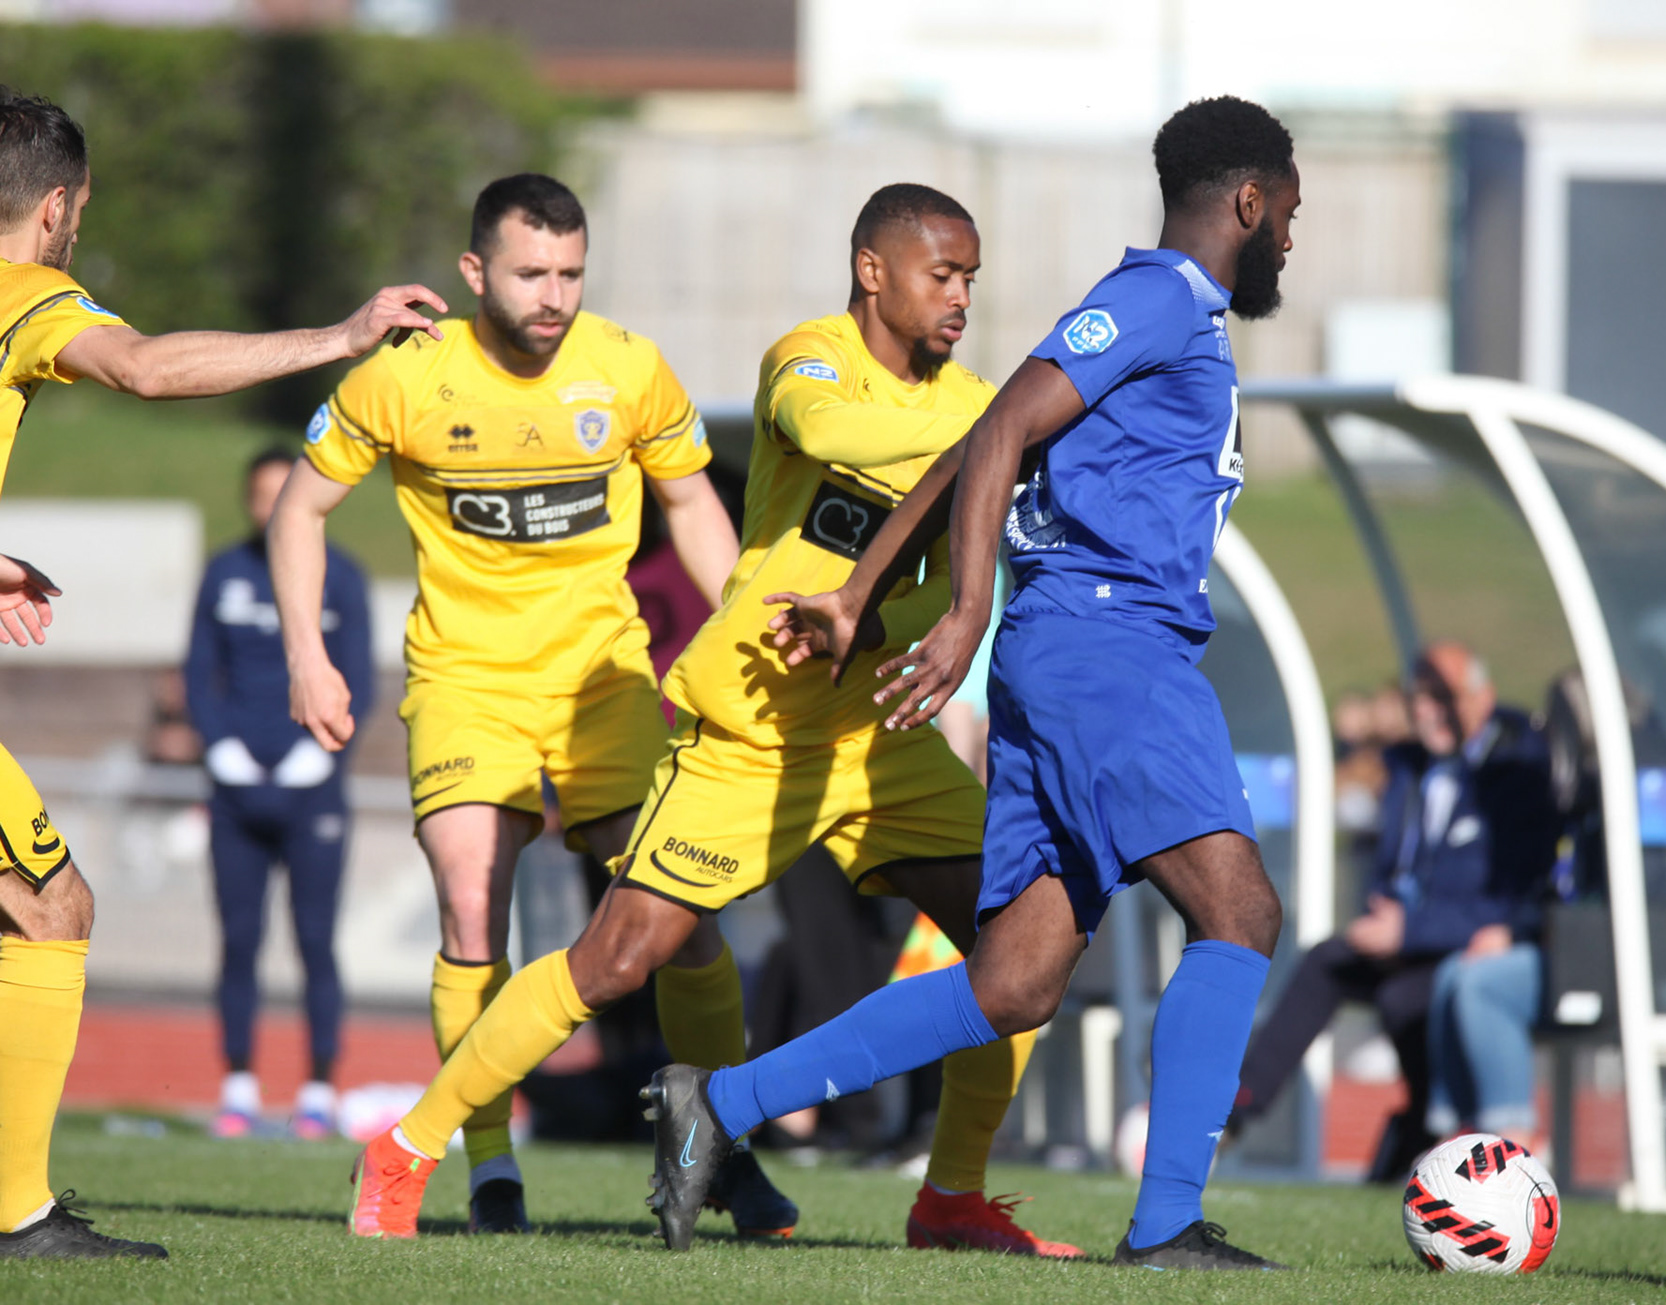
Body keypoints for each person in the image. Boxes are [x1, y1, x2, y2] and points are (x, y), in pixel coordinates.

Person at [344, 181, 1080, 1258]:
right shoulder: (810, 361)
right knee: (617, 958)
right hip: (755, 733)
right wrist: (1005, 432)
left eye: (972, 277)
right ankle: (407, 1146)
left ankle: (951, 1198)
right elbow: (837, 433)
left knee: (1025, 946)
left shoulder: (972, 399)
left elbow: (972, 530)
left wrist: (1001, 448)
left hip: (878, 740)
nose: (962, 295)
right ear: (873, 271)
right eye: (942, 274)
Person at [646, 95, 1302, 1269]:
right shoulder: (1159, 298)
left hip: (1076, 654)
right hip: (1110, 650)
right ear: (1251, 201)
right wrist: (962, 613)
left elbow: (977, 438)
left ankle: (721, 1105)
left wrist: (862, 589)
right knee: (1240, 912)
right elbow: (1000, 432)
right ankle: (1166, 1227)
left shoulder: (1167, 316)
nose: (1293, 240)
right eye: (1291, 213)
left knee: (1014, 984)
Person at [267, 173, 777, 1236]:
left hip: (605, 682)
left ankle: (721, 1149)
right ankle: (490, 1165)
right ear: (474, 272)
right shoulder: (404, 374)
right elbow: (301, 510)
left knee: (684, 917)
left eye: (571, 274)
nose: (554, 296)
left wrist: (743, 629)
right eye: (532, 272)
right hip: (466, 681)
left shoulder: (627, 366)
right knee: (470, 905)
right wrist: (307, 656)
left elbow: (692, 499)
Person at [0, 86, 443, 1260]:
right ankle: (17, 1218)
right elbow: (148, 368)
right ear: (57, 207)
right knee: (49, 909)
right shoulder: (26, 296)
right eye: (81, 211)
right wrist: (340, 339)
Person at [1231, 643, 1559, 1177]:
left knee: (1406, 998)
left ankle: (1435, 1138)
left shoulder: (1518, 770)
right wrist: (1386, 915)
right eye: (1419, 698)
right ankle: (1235, 1109)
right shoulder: (1409, 767)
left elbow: (1516, 894)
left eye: (1442, 697)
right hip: (1405, 938)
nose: (1428, 711)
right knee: (1325, 961)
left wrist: (1410, 930)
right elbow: (1397, 865)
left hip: (1470, 946)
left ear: (1483, 698)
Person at [186, 447, 373, 1140]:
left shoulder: (342, 576)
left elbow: (361, 679)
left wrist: (320, 752)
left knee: (315, 939)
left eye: (283, 493)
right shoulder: (223, 573)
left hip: (312, 793)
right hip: (235, 792)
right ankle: (237, 1085)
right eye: (261, 494)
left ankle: (318, 1089)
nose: (272, 508)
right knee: (238, 938)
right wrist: (219, 745)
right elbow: (198, 670)